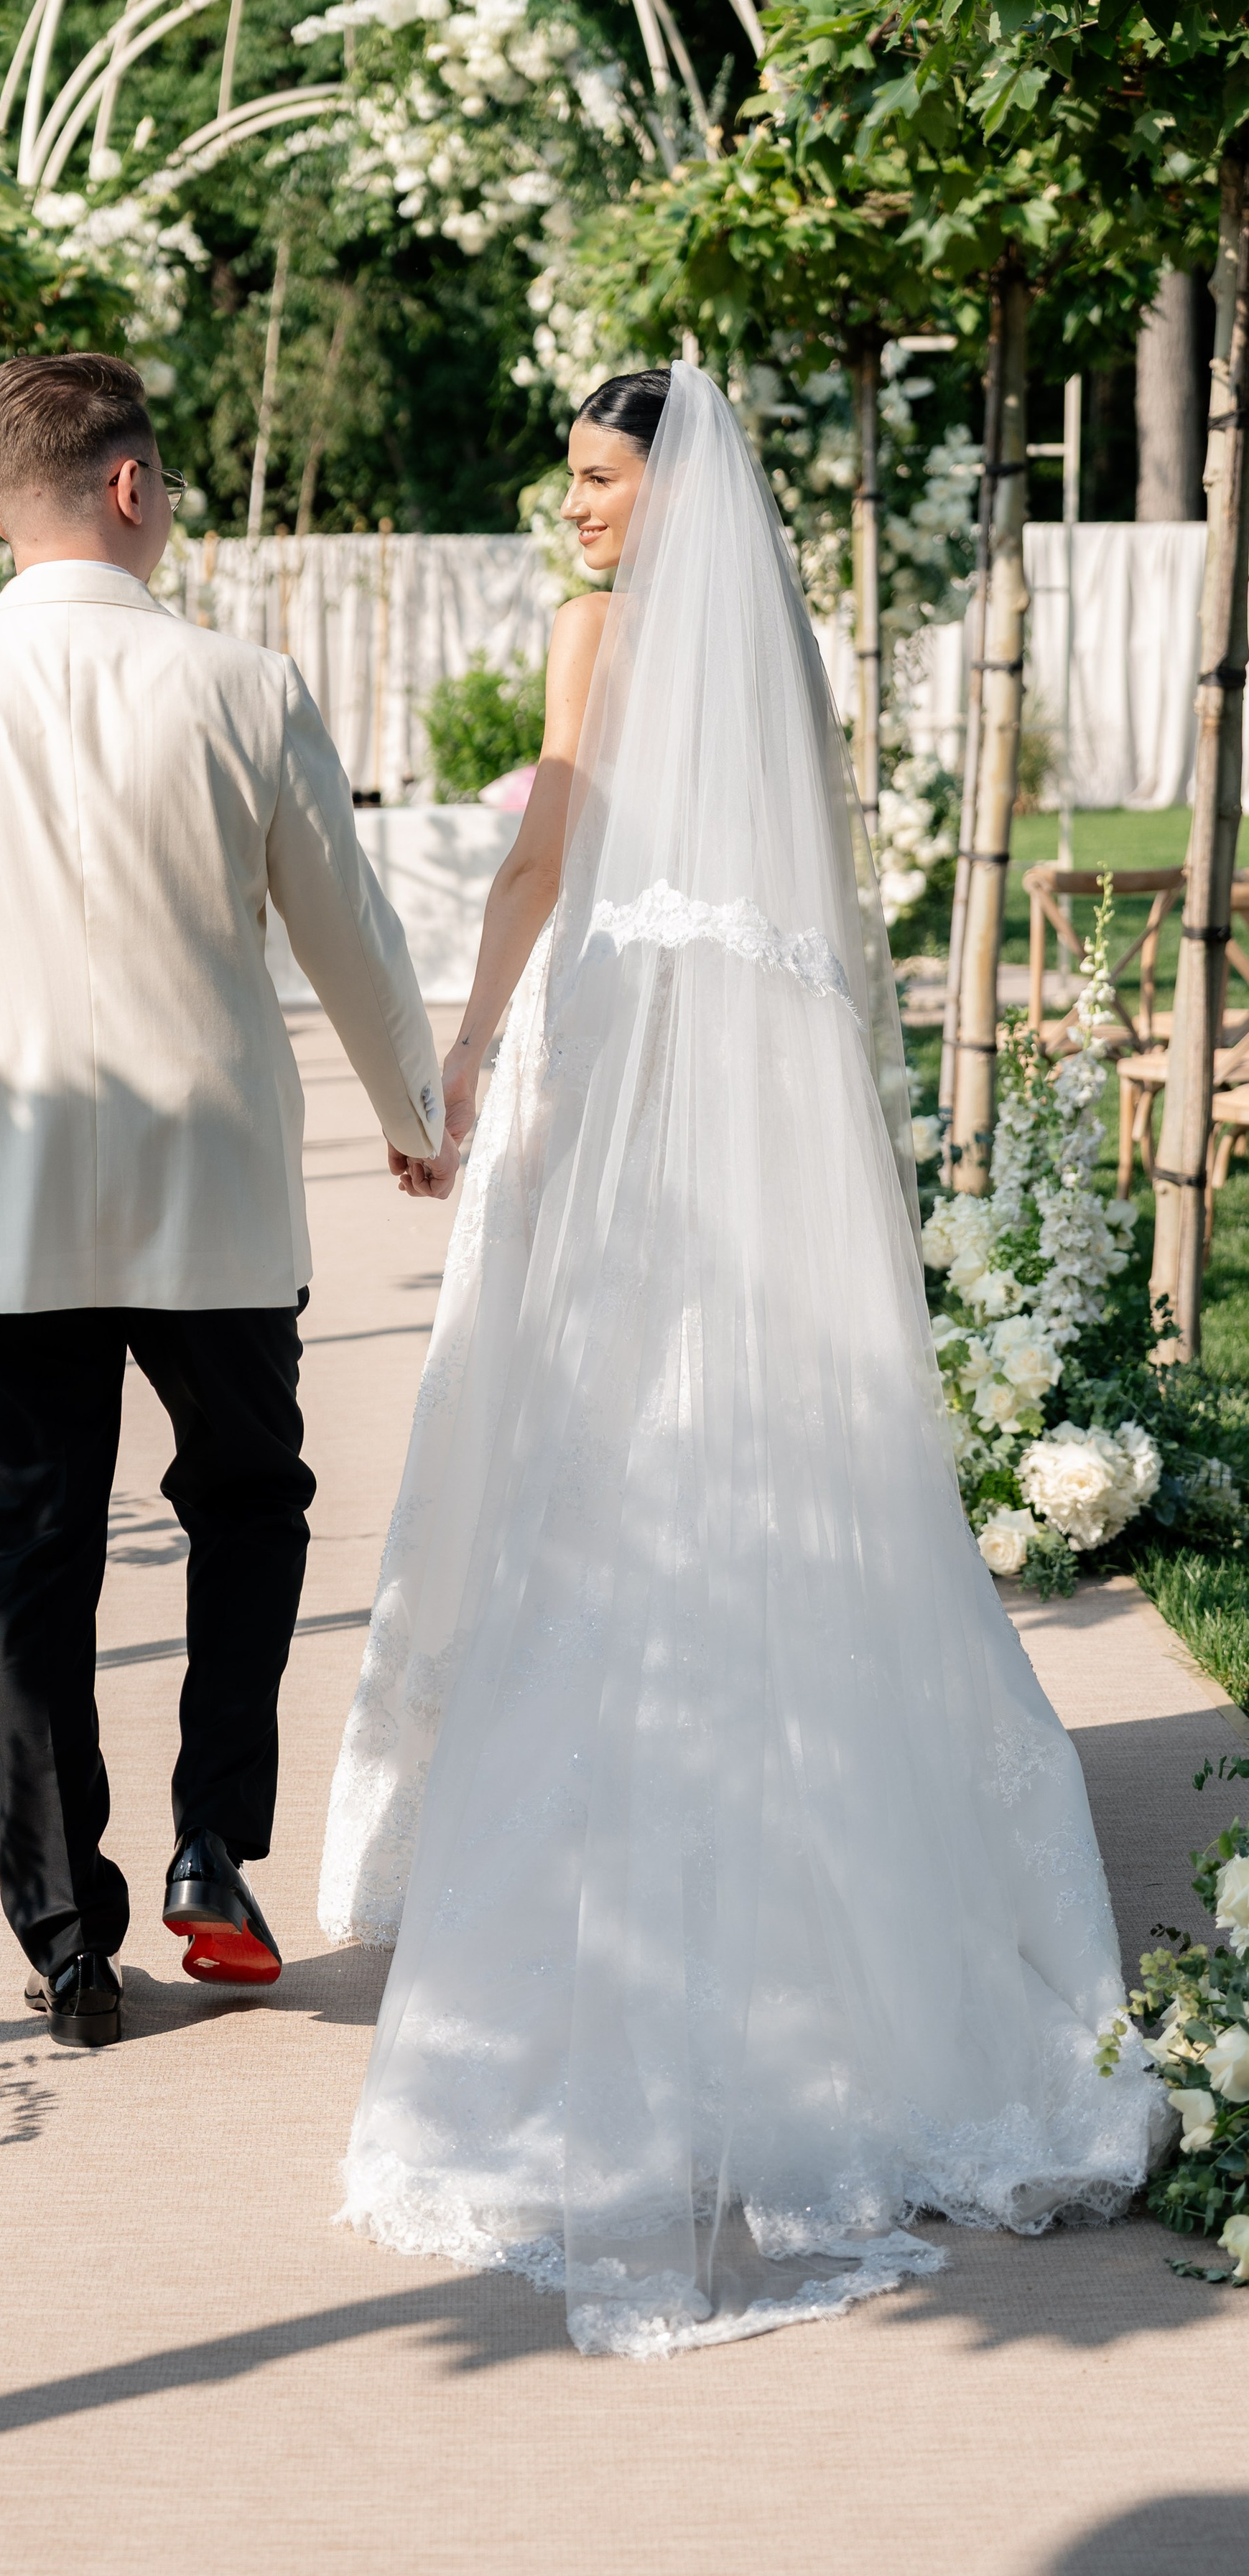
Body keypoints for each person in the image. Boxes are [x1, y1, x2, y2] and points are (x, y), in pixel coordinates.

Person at [318, 363, 1167, 2358]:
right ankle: (859, 1951)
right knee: (774, 1461)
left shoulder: (600, 633)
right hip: (755, 1113)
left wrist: (457, 1048)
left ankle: (614, 1953)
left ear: (665, 491)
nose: (574, 504)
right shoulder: (779, 656)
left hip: (621, 1098)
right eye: (573, 475)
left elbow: (545, 862)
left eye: (600, 475)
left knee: (599, 1469)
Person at [0, 352, 457, 2049]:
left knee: (33, 1557)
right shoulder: (242, 683)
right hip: (213, 1194)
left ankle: (68, 1940)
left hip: (4, 1207)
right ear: (134, 487)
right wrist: (415, 1111)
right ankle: (212, 1845)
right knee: (250, 1506)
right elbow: (348, 932)